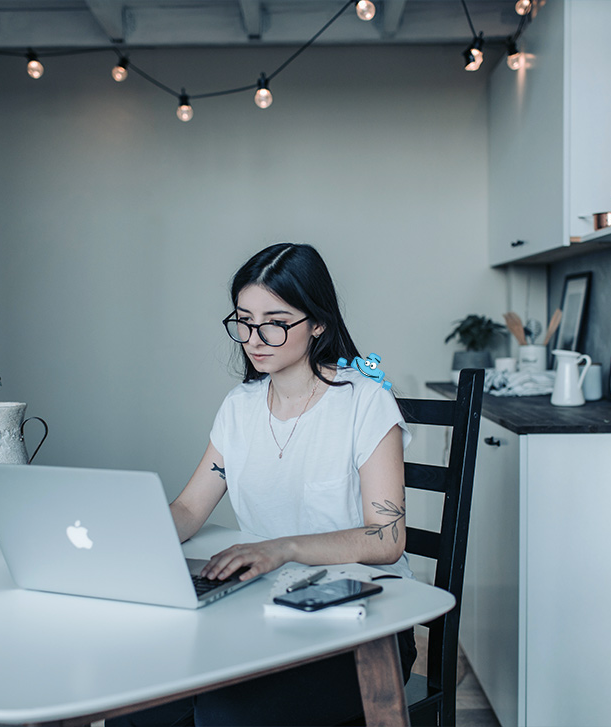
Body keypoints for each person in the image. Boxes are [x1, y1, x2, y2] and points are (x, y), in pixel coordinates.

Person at [113, 242, 415, 727]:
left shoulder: (366, 402)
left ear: (317, 323)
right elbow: (189, 510)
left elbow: (387, 536)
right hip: (264, 610)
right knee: (139, 699)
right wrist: (123, 535)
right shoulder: (240, 406)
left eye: (275, 321)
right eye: (244, 321)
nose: (255, 338)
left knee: (223, 711)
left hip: (361, 621)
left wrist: (283, 548)